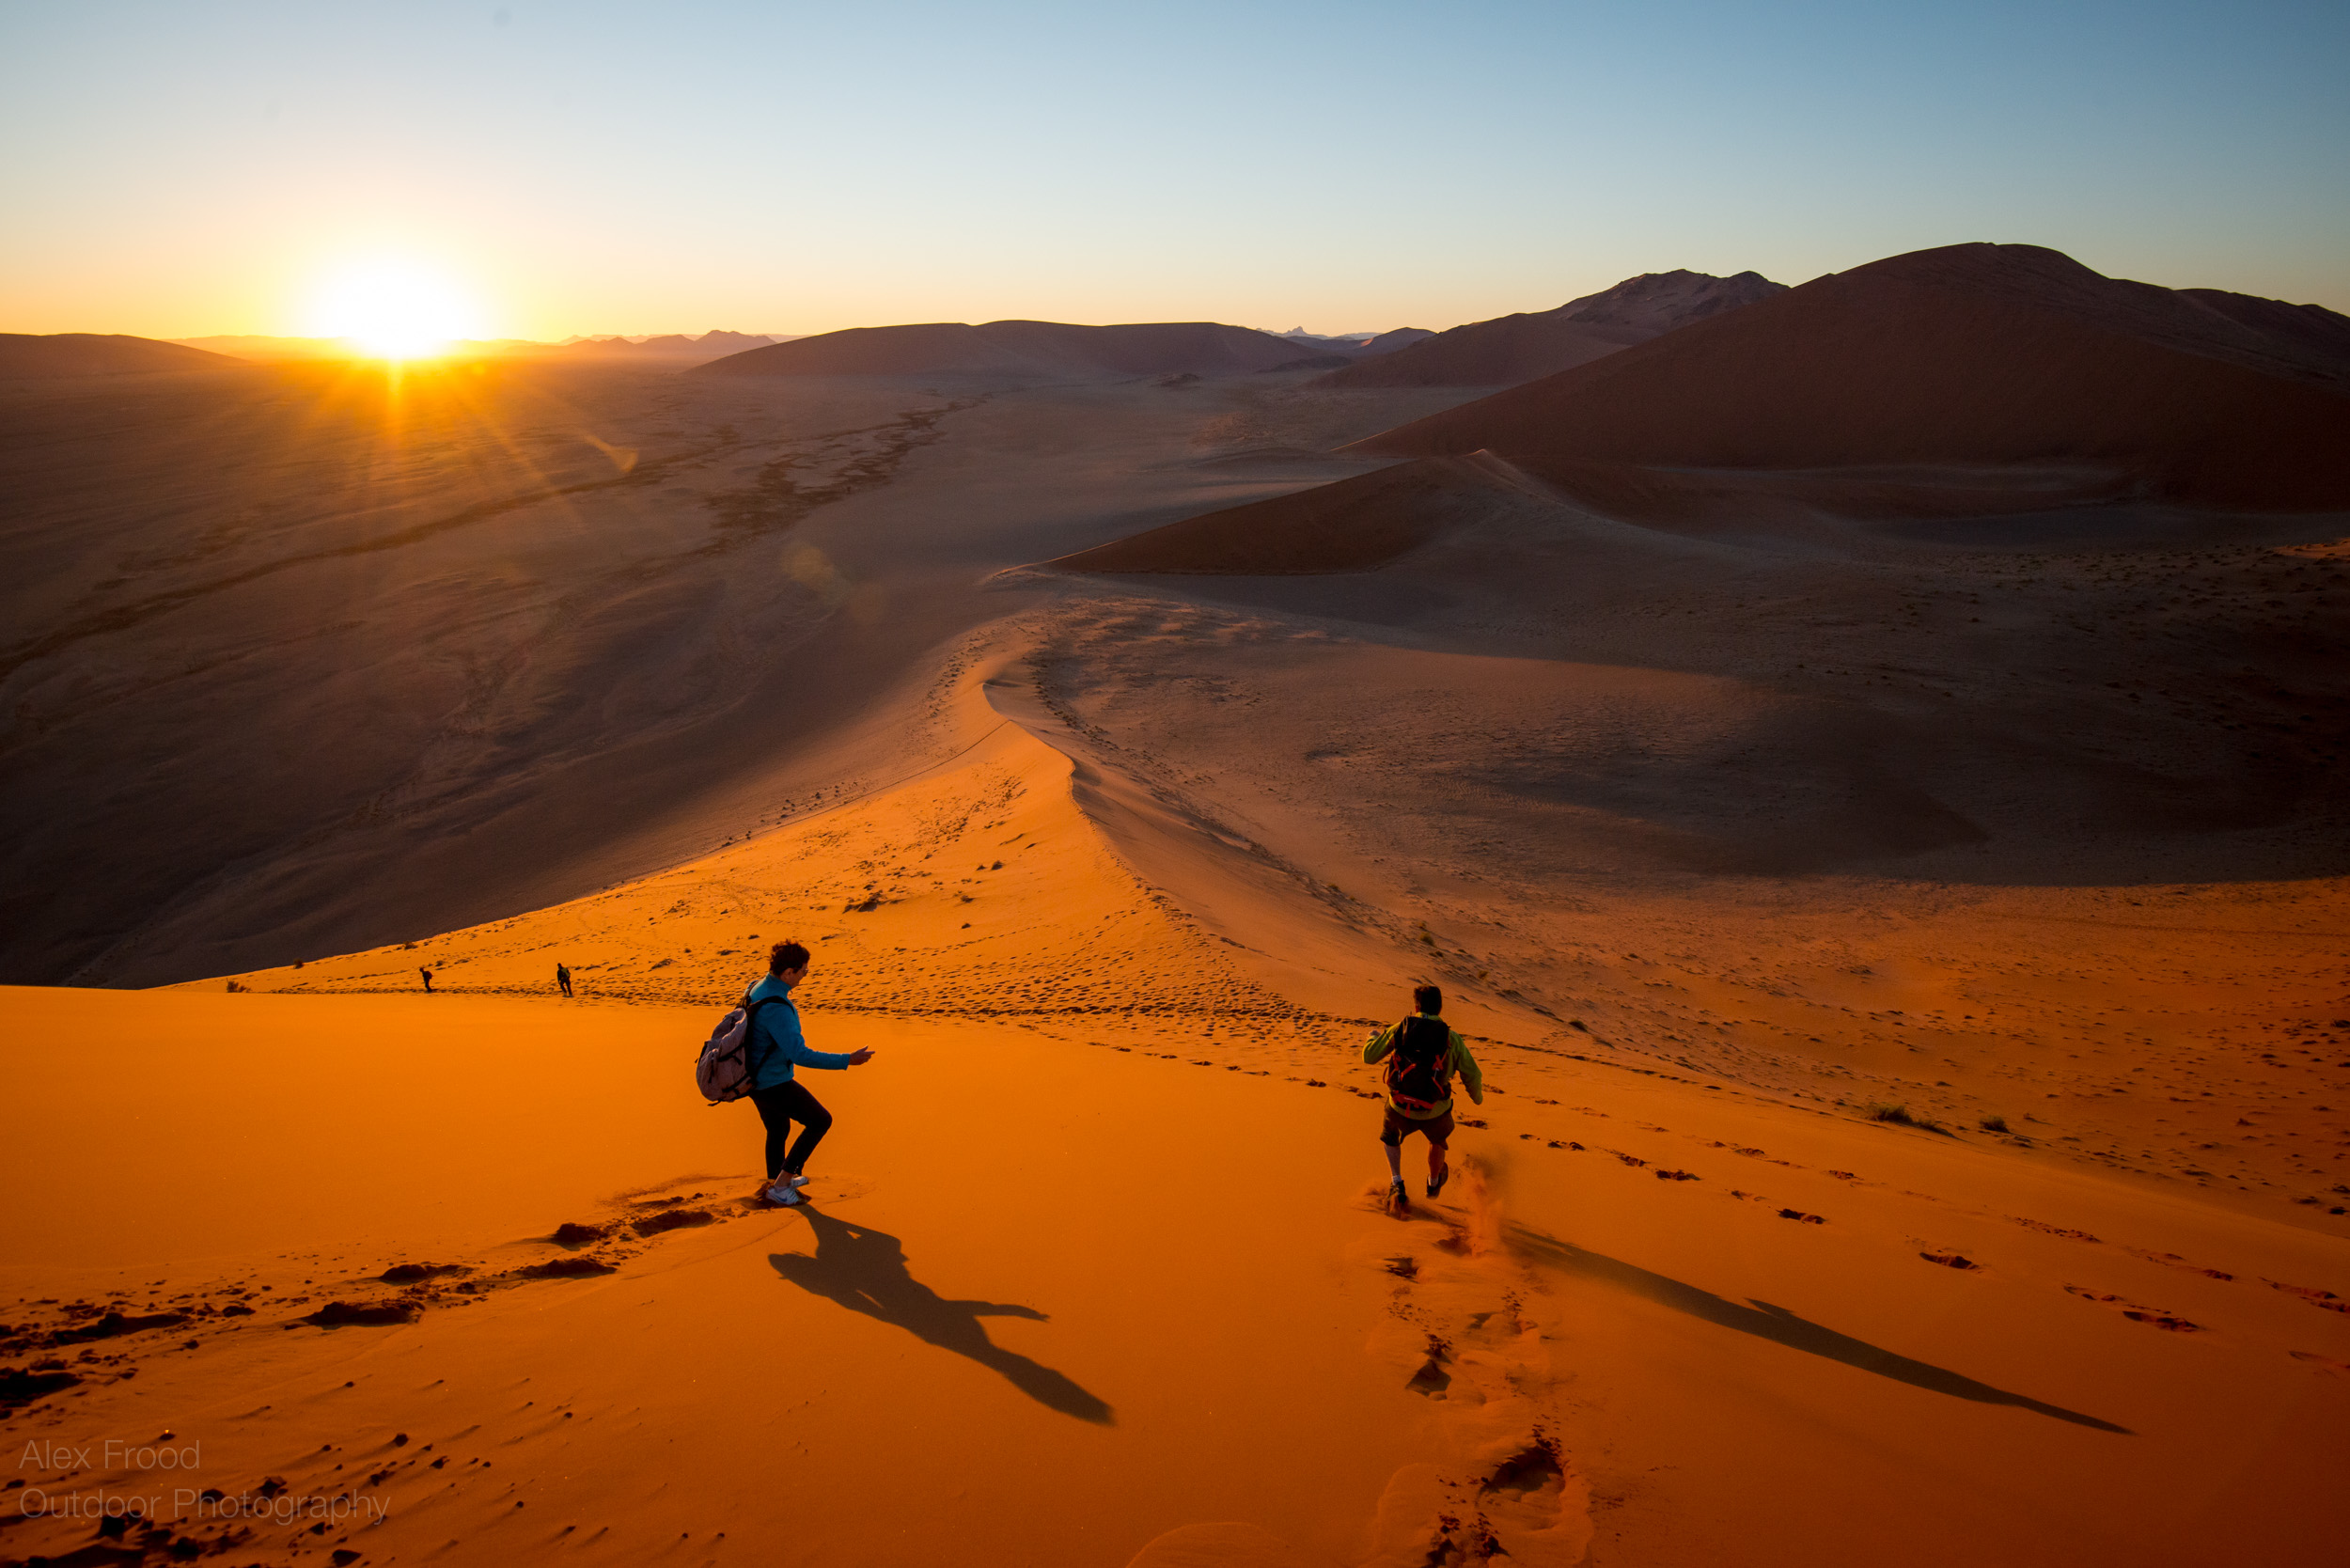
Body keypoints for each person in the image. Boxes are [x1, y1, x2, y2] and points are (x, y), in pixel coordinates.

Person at [744, 940, 875, 1205]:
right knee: (820, 1121)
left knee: (778, 1128)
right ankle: (781, 1187)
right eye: (804, 970)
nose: (805, 975)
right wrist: (847, 1059)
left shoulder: (757, 987)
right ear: (789, 972)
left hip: (753, 1079)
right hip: (772, 1082)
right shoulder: (777, 1007)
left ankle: (776, 1180)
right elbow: (800, 1054)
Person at [1362, 983, 1482, 1207]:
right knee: (1437, 1139)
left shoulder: (1401, 1028)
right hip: (1433, 1109)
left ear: (1416, 1006)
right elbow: (1472, 1074)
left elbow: (1369, 1057)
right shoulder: (1451, 1038)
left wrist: (1372, 1037)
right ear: (1440, 1008)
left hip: (1399, 1106)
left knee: (1390, 1135)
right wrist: (1477, 1098)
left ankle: (1397, 1182)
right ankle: (1434, 1181)